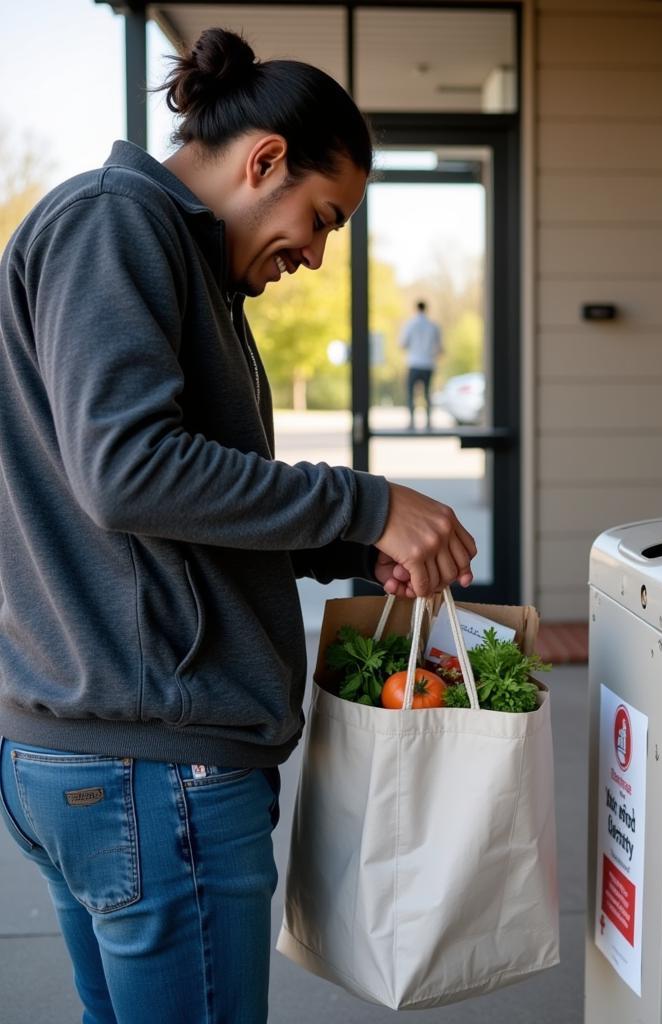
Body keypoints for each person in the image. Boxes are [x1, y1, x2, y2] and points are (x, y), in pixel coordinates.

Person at [0, 28, 475, 1024]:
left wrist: (357, 541)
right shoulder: (114, 227)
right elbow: (128, 476)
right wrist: (367, 500)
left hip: (114, 752)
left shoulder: (173, 257)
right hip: (150, 761)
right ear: (263, 160)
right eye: (322, 216)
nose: (314, 252)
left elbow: (187, 506)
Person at [399, 299, 443, 429]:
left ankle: (412, 421)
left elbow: (402, 344)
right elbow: (440, 348)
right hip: (428, 364)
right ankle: (429, 422)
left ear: (416, 309)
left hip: (414, 363)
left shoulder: (410, 325)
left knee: (411, 393)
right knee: (427, 394)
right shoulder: (433, 326)